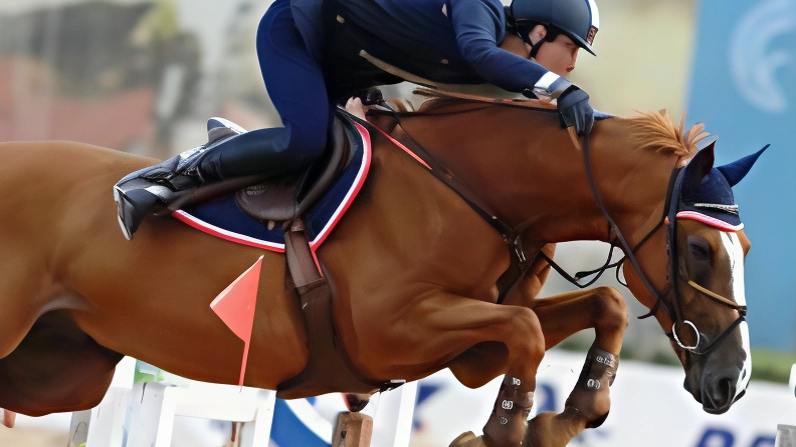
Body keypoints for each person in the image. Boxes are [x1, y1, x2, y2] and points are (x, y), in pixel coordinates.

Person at [114, 0, 600, 239]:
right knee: (304, 142)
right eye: (571, 48)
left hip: (341, 65)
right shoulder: (483, 14)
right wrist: (561, 90)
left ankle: (236, 158)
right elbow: (478, 51)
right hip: (297, 31)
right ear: (537, 32)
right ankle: (169, 174)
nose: (572, 64)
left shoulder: (498, 67)